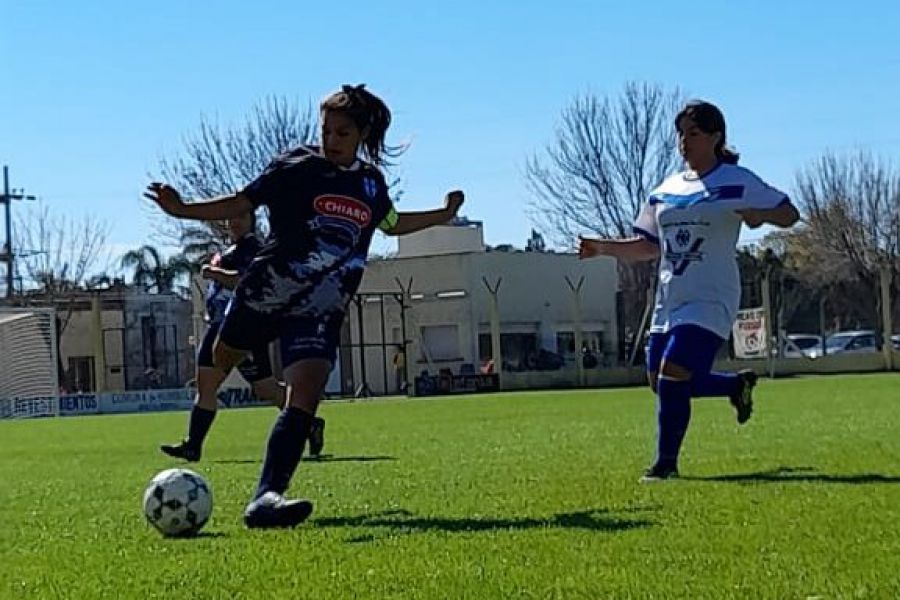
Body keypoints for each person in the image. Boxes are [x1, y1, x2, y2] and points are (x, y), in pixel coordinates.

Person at [145, 83, 464, 527]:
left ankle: (266, 498)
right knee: (222, 358)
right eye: (327, 130)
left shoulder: (371, 184)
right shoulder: (297, 165)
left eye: (342, 133)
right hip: (265, 290)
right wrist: (181, 210)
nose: (331, 140)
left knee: (307, 394)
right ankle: (227, 394)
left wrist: (442, 216)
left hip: (321, 306)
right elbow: (243, 201)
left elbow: (391, 224)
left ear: (363, 134)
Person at [579, 99, 799, 482]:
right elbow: (648, 246)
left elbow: (789, 213)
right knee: (660, 382)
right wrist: (602, 248)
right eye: (681, 133)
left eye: (693, 133)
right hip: (669, 300)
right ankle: (735, 385)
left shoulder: (737, 179)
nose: (684, 141)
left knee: (674, 372)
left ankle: (665, 464)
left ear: (715, 137)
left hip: (710, 297)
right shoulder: (666, 189)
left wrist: (760, 215)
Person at [159, 210, 326, 462]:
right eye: (231, 218)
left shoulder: (252, 249)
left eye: (240, 218)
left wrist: (215, 274)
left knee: (207, 383)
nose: (234, 222)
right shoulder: (230, 250)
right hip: (230, 323)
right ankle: (310, 423)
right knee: (265, 388)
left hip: (234, 324)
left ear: (251, 222)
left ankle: (193, 445)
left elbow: (248, 281)